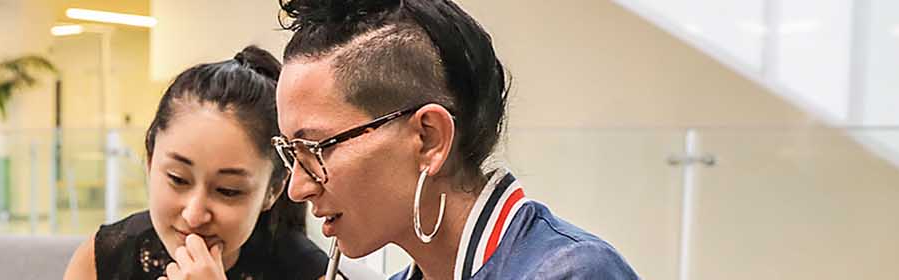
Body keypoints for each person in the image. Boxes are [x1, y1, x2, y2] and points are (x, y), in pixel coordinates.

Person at [270, 0, 639, 279]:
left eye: (318, 148)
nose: (298, 188)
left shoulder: (571, 272)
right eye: (291, 153)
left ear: (428, 139)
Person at [64, 46, 330, 280]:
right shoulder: (103, 258)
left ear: (272, 190)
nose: (194, 215)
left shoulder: (308, 271)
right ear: (149, 161)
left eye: (228, 190)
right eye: (177, 179)